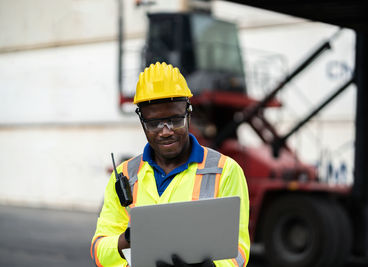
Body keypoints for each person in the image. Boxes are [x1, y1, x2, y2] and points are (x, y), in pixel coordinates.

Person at [91, 62, 250, 267]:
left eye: (175, 120)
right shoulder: (124, 175)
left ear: (189, 114)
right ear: (142, 122)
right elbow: (99, 251)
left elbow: (238, 252)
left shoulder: (226, 171)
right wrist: (128, 240)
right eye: (154, 123)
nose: (165, 131)